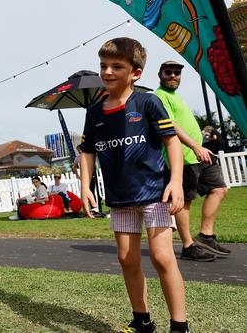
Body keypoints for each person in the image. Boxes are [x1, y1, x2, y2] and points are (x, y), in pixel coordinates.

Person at [79, 38, 188, 333]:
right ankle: (142, 321)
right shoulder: (94, 112)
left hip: (154, 192)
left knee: (162, 257)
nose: (108, 71)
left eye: (117, 66)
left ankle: (180, 325)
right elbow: (87, 150)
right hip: (120, 198)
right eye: (103, 65)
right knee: (127, 259)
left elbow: (172, 142)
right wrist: (85, 186)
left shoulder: (147, 102)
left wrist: (176, 182)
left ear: (135, 73)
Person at [154, 60, 230, 261]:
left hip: (200, 155)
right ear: (160, 75)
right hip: (183, 158)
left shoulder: (176, 96)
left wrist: (201, 147)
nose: (173, 76)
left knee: (220, 189)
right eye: (168, 72)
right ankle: (188, 246)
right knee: (184, 201)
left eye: (176, 73)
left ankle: (206, 235)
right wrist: (195, 146)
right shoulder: (159, 96)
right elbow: (170, 125)